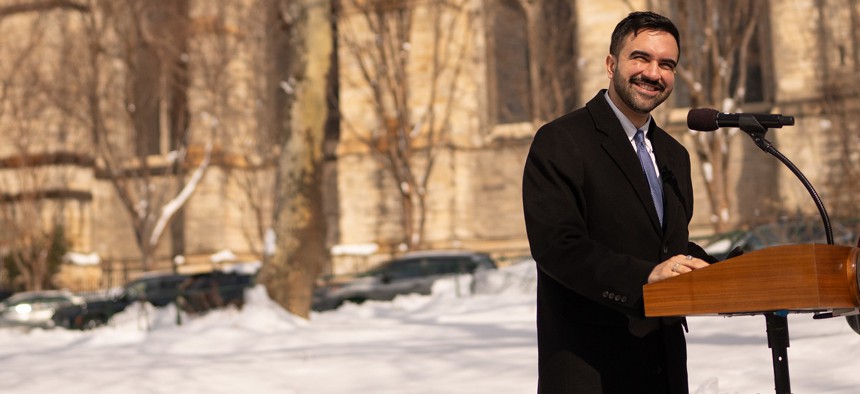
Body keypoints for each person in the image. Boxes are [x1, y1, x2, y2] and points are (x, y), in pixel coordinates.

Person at [522, 11, 718, 394]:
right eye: (640, 58)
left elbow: (668, 248)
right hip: (591, 369)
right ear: (611, 65)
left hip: (663, 367)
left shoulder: (675, 155)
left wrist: (722, 270)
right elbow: (557, 247)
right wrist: (645, 277)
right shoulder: (561, 140)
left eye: (666, 64)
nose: (653, 73)